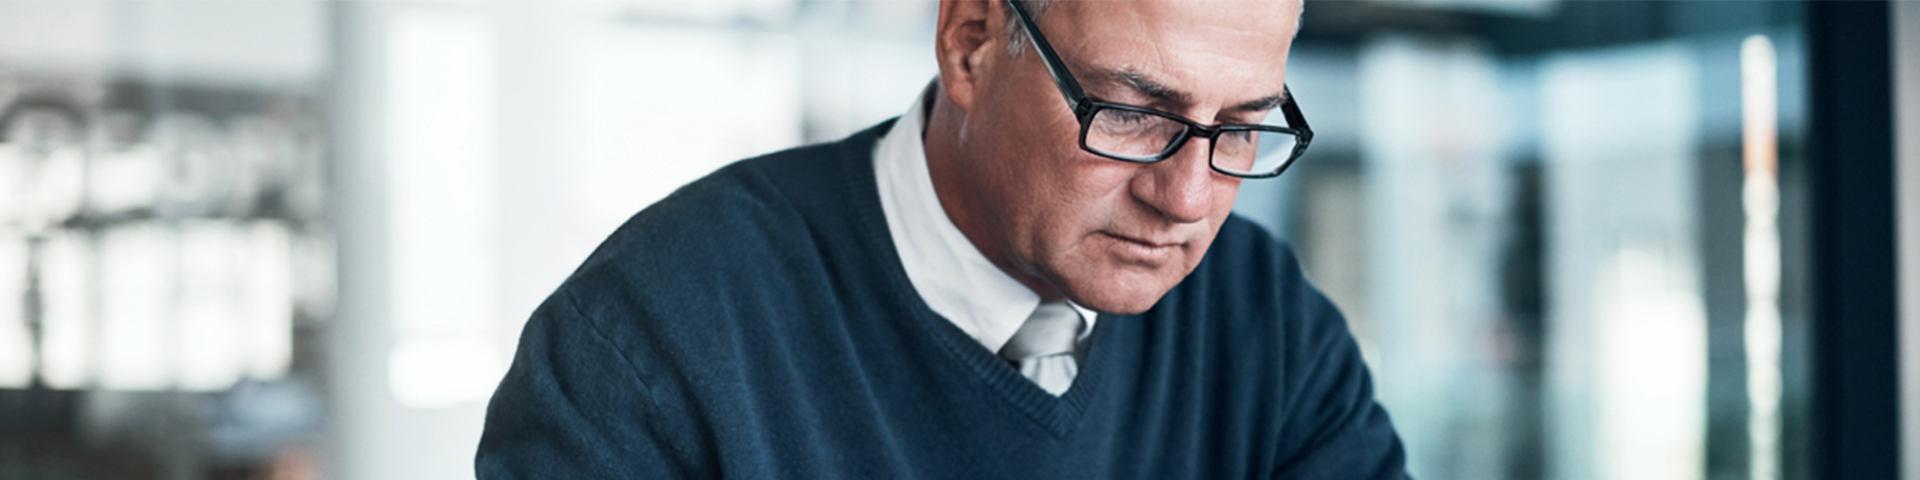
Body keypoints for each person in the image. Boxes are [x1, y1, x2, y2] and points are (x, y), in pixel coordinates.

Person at [476, 0, 1408, 478]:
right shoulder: (650, 338)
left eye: (1240, 128)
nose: (1188, 197)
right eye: (1130, 113)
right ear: (970, 42)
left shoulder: (1269, 327)